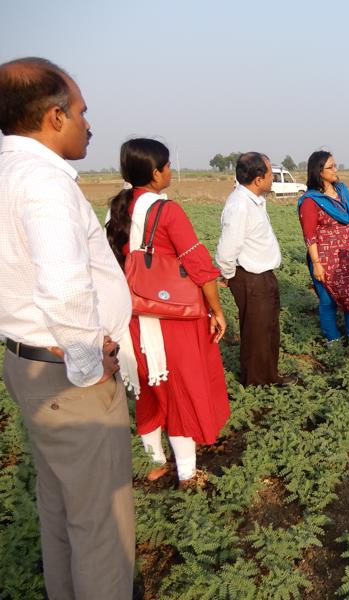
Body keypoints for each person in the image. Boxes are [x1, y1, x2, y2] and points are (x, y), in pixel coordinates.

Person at [0, 57, 135, 599]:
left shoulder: (8, 173)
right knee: (100, 526)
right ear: (54, 117)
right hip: (69, 375)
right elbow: (63, 284)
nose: (88, 123)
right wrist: (87, 365)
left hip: (29, 362)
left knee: (60, 509)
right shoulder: (43, 183)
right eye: (81, 111)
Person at [106, 138, 230, 489]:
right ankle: (188, 473)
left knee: (147, 389)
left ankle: (155, 461)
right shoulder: (167, 211)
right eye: (167, 166)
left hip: (131, 317)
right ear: (155, 173)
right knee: (180, 392)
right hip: (170, 320)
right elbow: (199, 266)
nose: (170, 171)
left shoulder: (117, 210)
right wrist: (216, 310)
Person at [216, 152, 287, 386]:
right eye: (270, 174)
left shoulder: (252, 200)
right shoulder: (239, 205)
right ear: (258, 179)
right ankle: (256, 384)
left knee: (268, 329)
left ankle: (270, 376)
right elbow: (227, 247)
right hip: (250, 277)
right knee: (256, 332)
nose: (272, 178)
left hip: (262, 276)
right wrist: (228, 273)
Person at [297, 150, 349, 346]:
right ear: (319, 171)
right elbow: (309, 236)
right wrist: (316, 264)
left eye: (335, 165)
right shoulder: (311, 201)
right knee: (328, 301)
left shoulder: (343, 191)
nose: (335, 170)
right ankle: (333, 341)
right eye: (331, 167)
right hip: (325, 259)